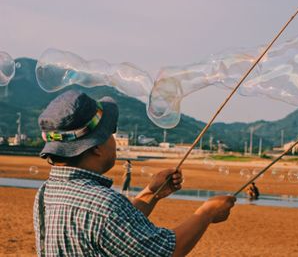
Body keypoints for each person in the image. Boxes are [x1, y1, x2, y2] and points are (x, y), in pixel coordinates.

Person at [33, 90, 236, 256]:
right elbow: (165, 252)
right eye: (111, 133)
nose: (114, 141)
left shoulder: (45, 193)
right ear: (96, 147)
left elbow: (107, 230)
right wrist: (207, 213)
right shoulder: (104, 204)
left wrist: (151, 193)